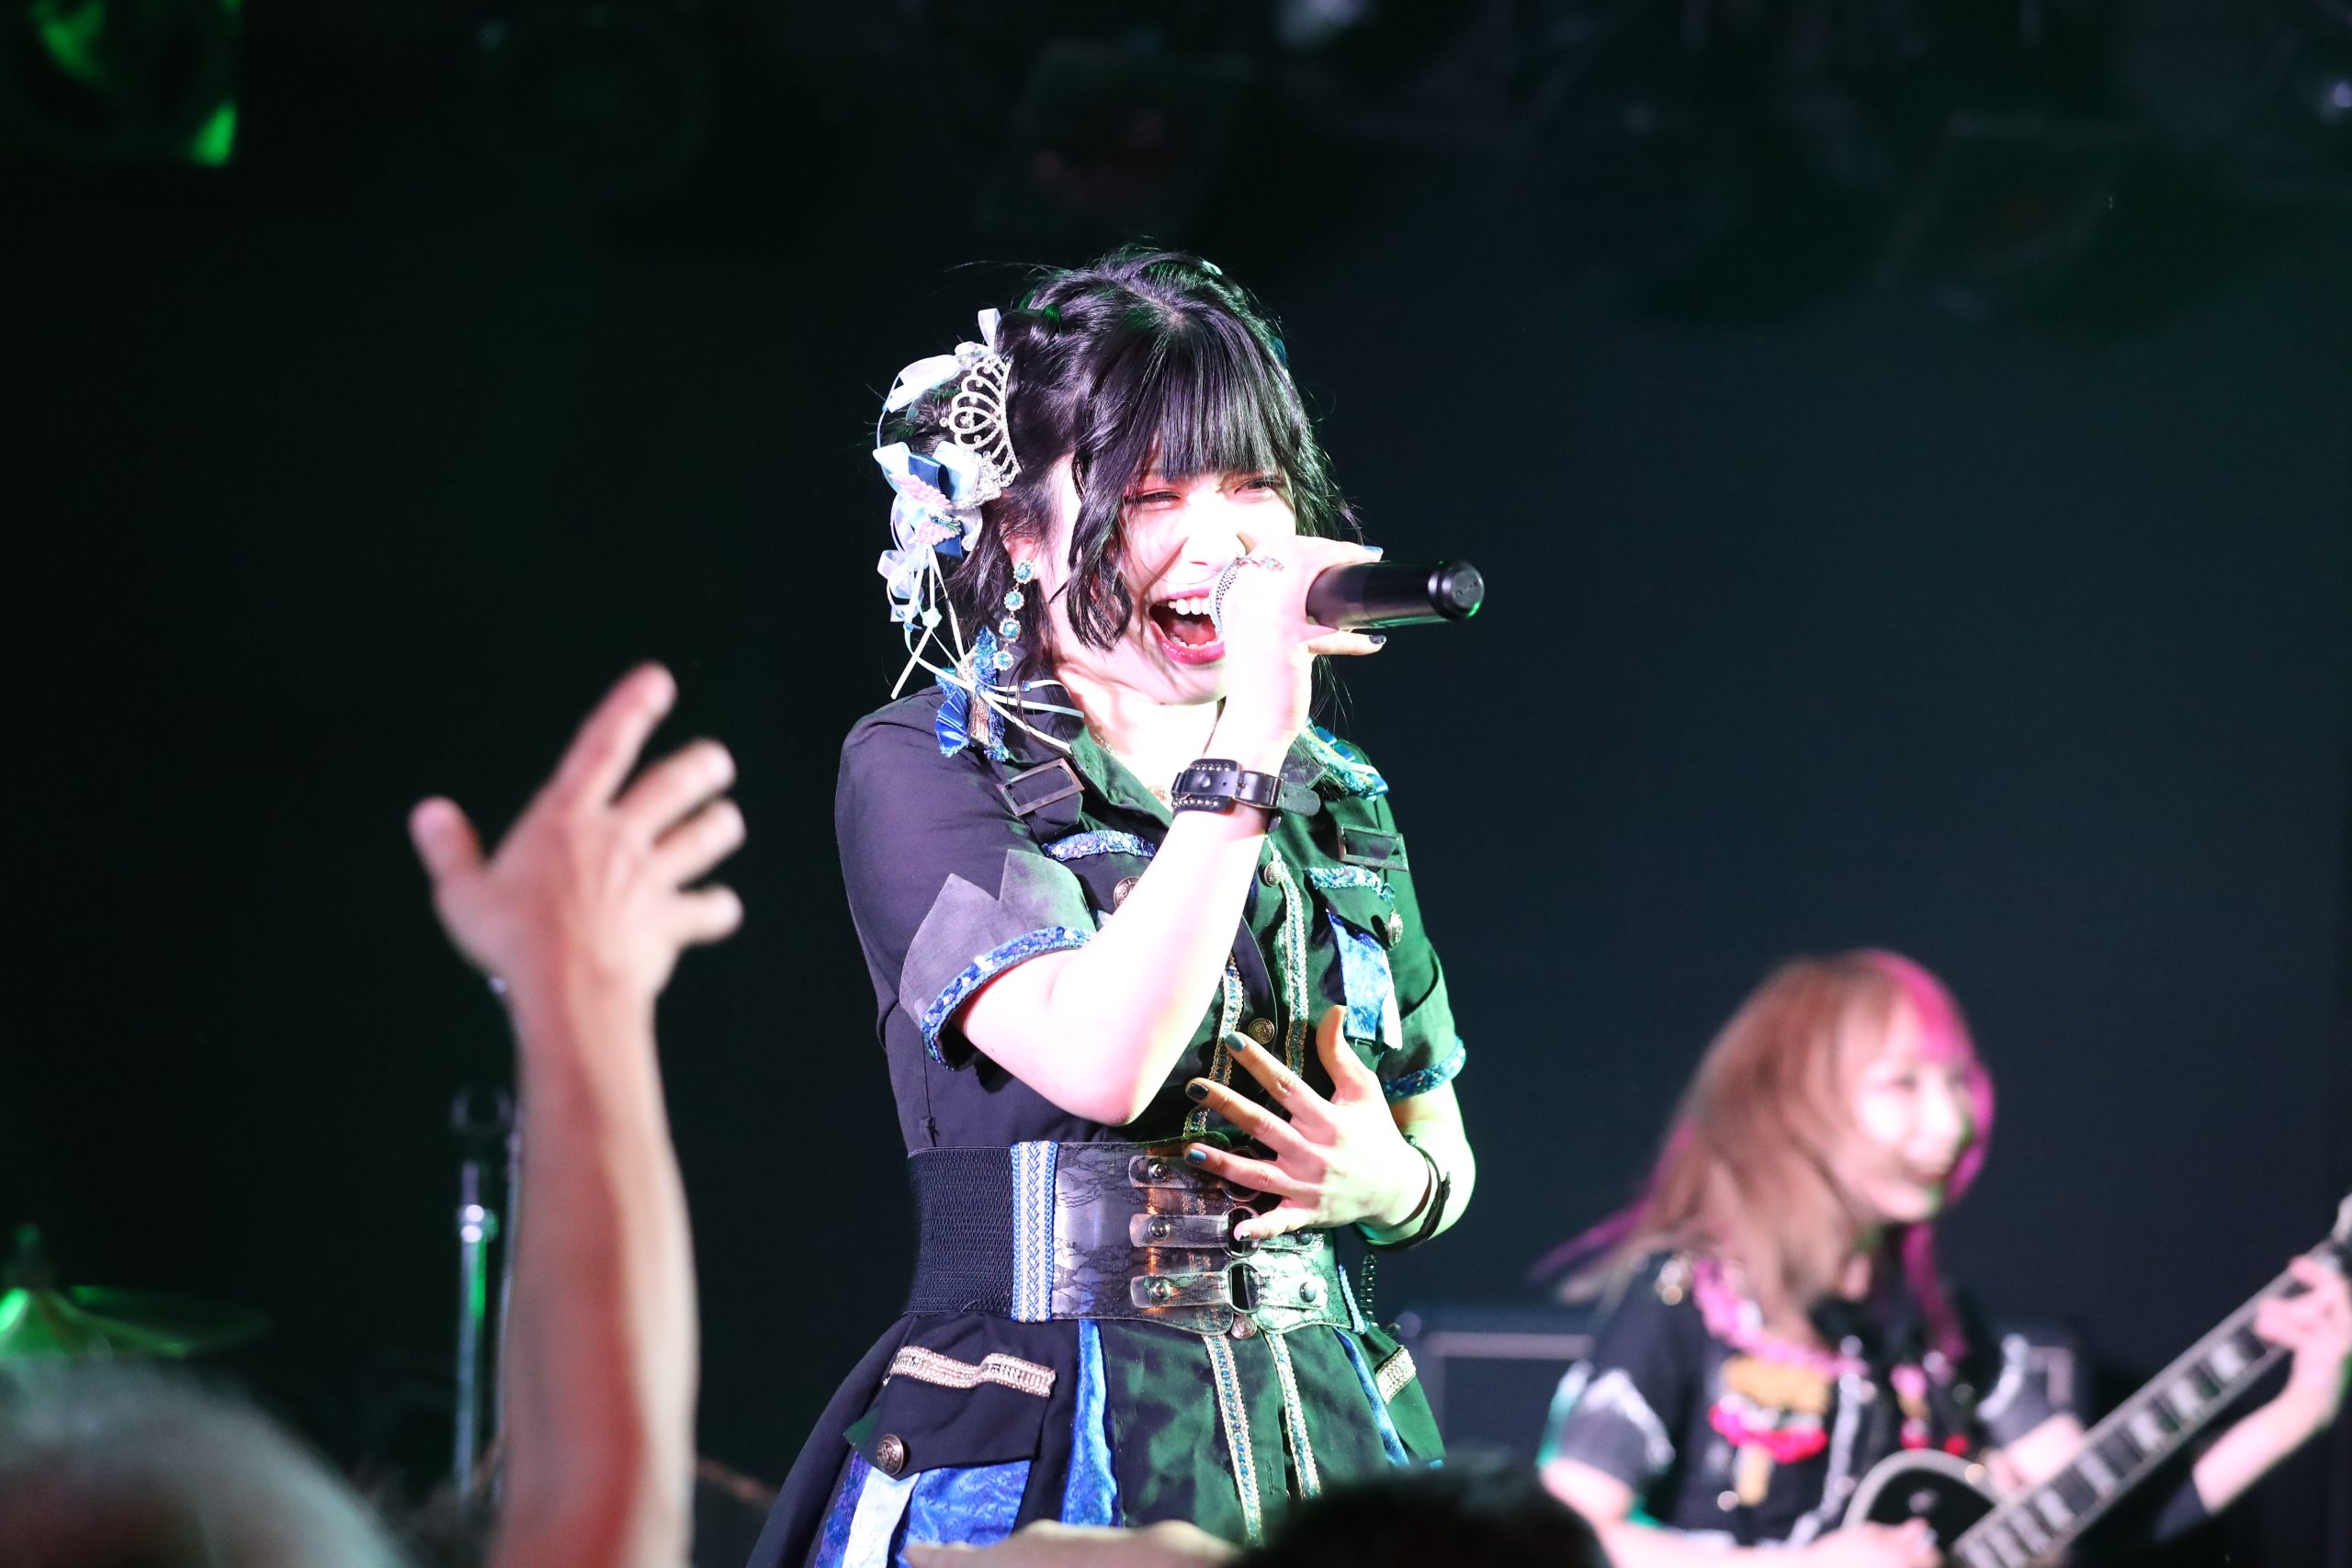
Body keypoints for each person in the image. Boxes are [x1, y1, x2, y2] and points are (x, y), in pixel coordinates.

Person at [749, 249, 1476, 1567]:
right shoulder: (926, 766)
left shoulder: (1336, 794)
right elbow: (1103, 1056)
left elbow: (1439, 1137)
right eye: (1154, 495)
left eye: (1251, 485)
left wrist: (1396, 1184)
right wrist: (1249, 747)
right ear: (1022, 534)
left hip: (1325, 1428)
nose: (1224, 539)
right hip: (1046, 1429)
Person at [1536, 950, 2352, 1567]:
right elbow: (1568, 1531)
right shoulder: (1687, 1299)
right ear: (1792, 1104)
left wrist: (2304, 1403)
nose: (1954, 1120)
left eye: (1959, 1081)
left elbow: (2106, 1511)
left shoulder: (1943, 1328)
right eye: (1905, 1083)